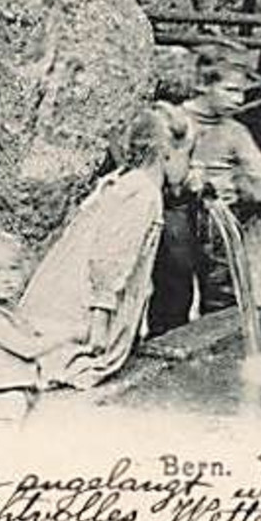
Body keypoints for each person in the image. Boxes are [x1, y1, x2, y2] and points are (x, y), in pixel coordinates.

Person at [149, 48, 261, 336]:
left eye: (242, 92)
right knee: (173, 290)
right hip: (179, 217)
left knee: (224, 291)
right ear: (204, 85)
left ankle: (221, 350)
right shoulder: (175, 120)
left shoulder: (235, 131)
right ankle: (166, 352)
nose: (239, 99)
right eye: (230, 90)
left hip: (221, 220)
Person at [19, 103, 196, 388]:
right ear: (166, 154)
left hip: (55, 302)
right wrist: (99, 326)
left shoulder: (123, 179)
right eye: (188, 156)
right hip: (80, 310)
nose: (191, 167)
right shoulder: (143, 195)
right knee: (89, 362)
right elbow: (110, 259)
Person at [0, 230, 80, 423]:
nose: (7, 278)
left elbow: (36, 326)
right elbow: (28, 348)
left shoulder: (7, 311)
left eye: (14, 268)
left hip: (4, 395)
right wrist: (70, 335)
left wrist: (72, 329)